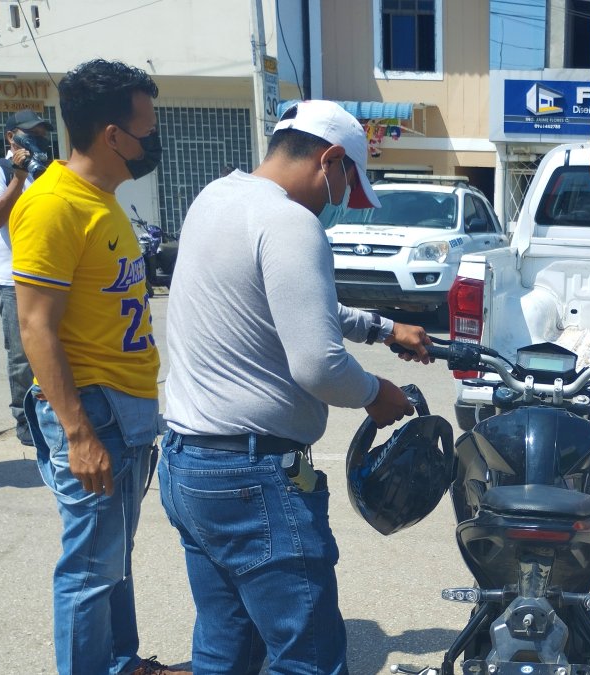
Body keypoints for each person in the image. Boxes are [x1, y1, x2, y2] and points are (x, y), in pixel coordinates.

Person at [159, 100, 433, 673]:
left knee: (225, 647)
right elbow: (318, 365)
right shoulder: (289, 222)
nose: (337, 204)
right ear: (331, 159)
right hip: (251, 480)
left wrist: (384, 328)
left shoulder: (217, 197)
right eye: (344, 188)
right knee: (307, 658)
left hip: (189, 467)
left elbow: (292, 304)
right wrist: (377, 393)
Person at [10, 60, 186, 675]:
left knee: (114, 556)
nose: (153, 143)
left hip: (126, 408)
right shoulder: (54, 205)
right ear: (113, 135)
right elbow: (35, 326)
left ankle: (120, 661)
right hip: (92, 410)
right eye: (147, 130)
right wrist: (79, 434)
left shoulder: (103, 200)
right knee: (89, 569)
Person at [0, 109, 53, 446]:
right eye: (30, 133)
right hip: (13, 279)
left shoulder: (48, 171)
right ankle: (25, 421)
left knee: (56, 347)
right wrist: (18, 177)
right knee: (22, 355)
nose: (38, 138)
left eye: (42, 133)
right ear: (11, 137)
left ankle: (54, 413)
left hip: (51, 276)